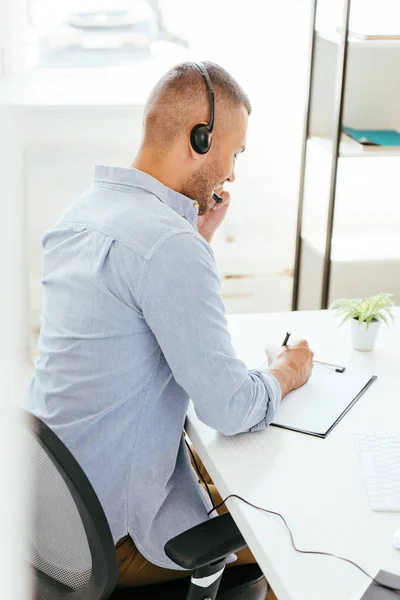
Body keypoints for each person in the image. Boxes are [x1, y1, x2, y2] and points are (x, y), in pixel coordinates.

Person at [27, 61, 314, 597]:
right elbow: (229, 409)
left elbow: (132, 325)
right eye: (235, 152)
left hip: (46, 512)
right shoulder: (168, 247)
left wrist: (196, 240)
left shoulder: (82, 213)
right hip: (109, 537)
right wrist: (287, 371)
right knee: (297, 526)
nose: (233, 172)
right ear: (199, 139)